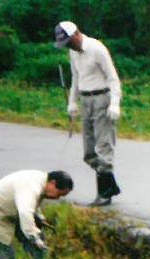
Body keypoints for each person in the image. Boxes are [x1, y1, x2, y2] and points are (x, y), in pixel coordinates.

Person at [54, 21, 122, 207]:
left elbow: (113, 78)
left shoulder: (96, 48)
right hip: (86, 99)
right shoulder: (72, 52)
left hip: (102, 98)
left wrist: (115, 104)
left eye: (69, 41)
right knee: (89, 152)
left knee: (103, 146)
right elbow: (76, 78)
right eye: (65, 43)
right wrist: (72, 101)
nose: (68, 45)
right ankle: (111, 185)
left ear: (76, 33)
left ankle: (104, 193)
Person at [0, 170, 74, 259]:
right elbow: (25, 211)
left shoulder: (42, 182)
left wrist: (39, 218)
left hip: (13, 209)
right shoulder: (31, 186)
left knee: (39, 241)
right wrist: (33, 236)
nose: (58, 198)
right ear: (52, 183)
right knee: (5, 255)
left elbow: (30, 203)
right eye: (59, 193)